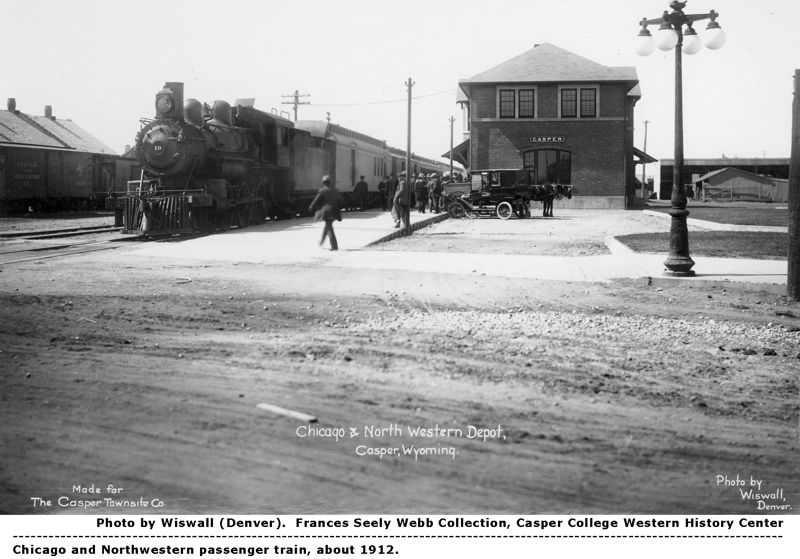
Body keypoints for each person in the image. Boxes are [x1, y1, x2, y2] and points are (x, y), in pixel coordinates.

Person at [308, 175, 341, 251]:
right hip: (335, 212)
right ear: (330, 182)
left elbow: (316, 201)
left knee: (329, 228)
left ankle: (334, 247)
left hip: (327, 213)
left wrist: (311, 207)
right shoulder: (336, 190)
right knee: (327, 226)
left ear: (323, 183)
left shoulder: (322, 191)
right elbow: (342, 202)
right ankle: (321, 242)